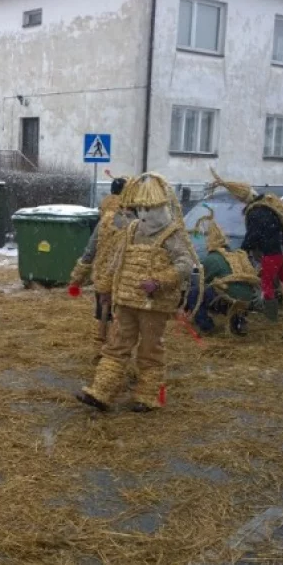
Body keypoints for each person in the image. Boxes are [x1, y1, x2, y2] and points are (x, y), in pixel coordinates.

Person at [75, 173, 195, 413]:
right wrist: (106, 289)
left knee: (150, 351)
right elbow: (117, 262)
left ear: (163, 207)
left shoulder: (173, 235)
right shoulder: (131, 230)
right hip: (126, 301)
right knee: (115, 346)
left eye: (152, 208)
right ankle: (102, 392)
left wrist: (159, 281)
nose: (146, 214)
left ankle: (148, 396)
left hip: (155, 306)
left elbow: (185, 264)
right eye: (143, 208)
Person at [208, 168, 283, 322]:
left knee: (267, 286)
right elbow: (276, 228)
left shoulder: (255, 212)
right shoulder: (268, 208)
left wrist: (242, 250)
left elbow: (253, 235)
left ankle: (272, 318)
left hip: (269, 255)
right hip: (279, 252)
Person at [69, 176, 134, 359]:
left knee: (101, 314)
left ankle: (99, 352)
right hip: (125, 276)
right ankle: (114, 356)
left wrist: (77, 278)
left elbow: (90, 250)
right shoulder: (136, 223)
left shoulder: (104, 216)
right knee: (121, 318)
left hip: (103, 273)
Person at [184, 211, 260, 336]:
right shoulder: (236, 254)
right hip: (247, 297)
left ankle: (207, 326)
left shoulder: (212, 258)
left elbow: (205, 282)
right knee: (235, 293)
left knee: (194, 293)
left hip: (229, 295)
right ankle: (238, 324)